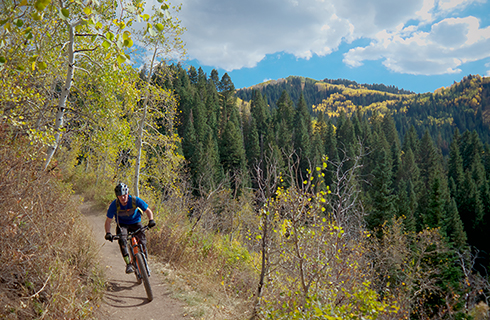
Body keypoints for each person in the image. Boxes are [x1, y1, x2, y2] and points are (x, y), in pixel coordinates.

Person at [104, 182, 156, 274]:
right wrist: (108, 233)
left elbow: (148, 210)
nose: (123, 198)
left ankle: (144, 263)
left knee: (142, 241)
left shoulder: (135, 200)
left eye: (124, 195)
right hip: (122, 225)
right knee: (122, 240)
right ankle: (128, 264)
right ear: (117, 196)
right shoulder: (114, 205)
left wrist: (151, 220)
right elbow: (108, 221)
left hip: (136, 222)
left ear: (128, 194)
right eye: (120, 196)